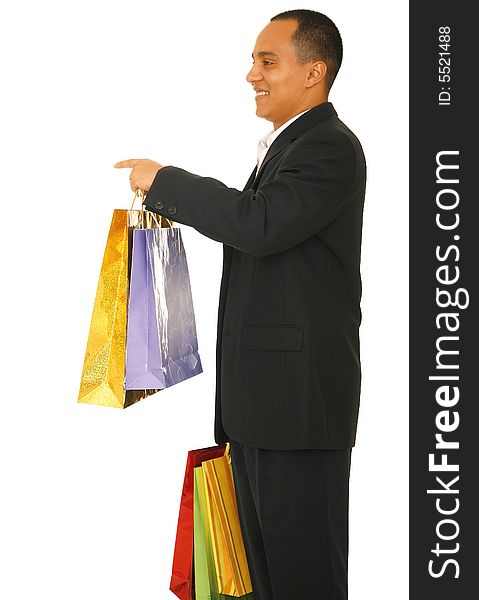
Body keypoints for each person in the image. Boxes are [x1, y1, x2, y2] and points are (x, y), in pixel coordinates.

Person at [114, 9, 366, 599]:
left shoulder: (330, 147)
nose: (251, 74)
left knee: (303, 580)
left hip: (299, 413)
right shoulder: (284, 148)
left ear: (314, 72)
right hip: (261, 410)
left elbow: (260, 224)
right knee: (253, 582)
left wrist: (168, 183)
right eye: (255, 60)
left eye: (268, 61)